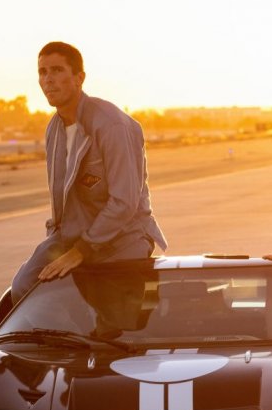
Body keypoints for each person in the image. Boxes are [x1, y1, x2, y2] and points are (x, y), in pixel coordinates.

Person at [11, 41, 167, 304]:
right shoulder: (54, 129)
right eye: (42, 72)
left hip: (123, 236)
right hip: (73, 235)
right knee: (25, 285)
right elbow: (61, 201)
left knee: (110, 309)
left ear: (79, 78)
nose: (48, 80)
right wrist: (59, 243)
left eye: (57, 70)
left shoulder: (112, 125)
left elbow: (124, 202)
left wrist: (80, 252)